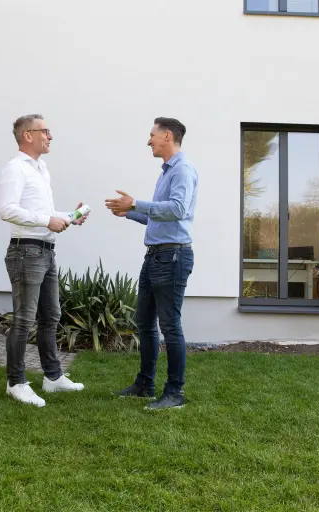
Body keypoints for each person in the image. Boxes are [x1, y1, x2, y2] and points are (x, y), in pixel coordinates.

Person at [105, 117, 198, 410]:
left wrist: (136, 204)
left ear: (167, 136)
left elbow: (178, 209)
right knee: (144, 323)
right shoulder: (166, 173)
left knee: (170, 326)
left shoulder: (182, 170)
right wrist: (128, 212)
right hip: (156, 256)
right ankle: (145, 384)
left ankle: (175, 393)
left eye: (152, 135)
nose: (149, 141)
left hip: (172, 257)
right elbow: (158, 215)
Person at [0, 114, 88, 407]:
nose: (50, 136)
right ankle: (16, 382)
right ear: (27, 135)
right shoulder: (16, 168)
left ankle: (52, 378)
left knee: (50, 317)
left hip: (45, 251)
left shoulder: (41, 169)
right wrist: (47, 220)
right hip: (26, 251)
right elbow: (7, 209)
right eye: (45, 131)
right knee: (24, 321)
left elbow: (41, 213)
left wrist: (67, 217)